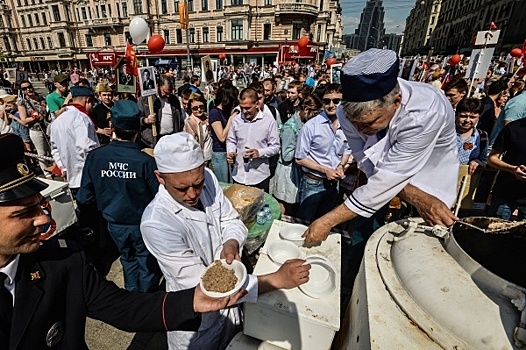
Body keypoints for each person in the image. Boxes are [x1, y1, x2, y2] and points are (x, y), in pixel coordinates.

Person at [0, 132, 246, 350]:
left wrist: (188, 302)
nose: (43, 220)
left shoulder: (63, 261)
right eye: (23, 214)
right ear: (162, 177)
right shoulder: (155, 220)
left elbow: (123, 307)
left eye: (40, 207)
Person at [303, 49, 459, 305]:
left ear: (396, 102)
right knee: (364, 234)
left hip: (429, 179)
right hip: (379, 178)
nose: (362, 130)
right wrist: (402, 191)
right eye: (357, 125)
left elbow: (391, 177)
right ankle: (351, 291)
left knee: (415, 254)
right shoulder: (346, 113)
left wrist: (328, 220)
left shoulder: (425, 112)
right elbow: (365, 160)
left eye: (370, 123)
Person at [140, 133, 310, 350]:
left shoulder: (209, 178)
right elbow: (203, 286)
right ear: (160, 178)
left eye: (198, 184)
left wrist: (230, 242)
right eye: (182, 188)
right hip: (196, 322)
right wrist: (275, 280)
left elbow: (230, 219)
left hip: (231, 306)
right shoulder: (157, 223)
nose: (193, 194)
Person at [77, 100, 162, 292]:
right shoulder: (146, 162)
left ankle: (132, 295)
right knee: (146, 262)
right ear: (138, 129)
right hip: (142, 224)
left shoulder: (96, 157)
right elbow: (160, 198)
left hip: (114, 224)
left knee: (127, 259)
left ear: (111, 126)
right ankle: (145, 299)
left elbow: (85, 197)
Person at [295, 83, 351, 222]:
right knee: (305, 223)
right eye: (327, 101)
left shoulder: (348, 126)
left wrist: (341, 166)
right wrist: (325, 170)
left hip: (333, 185)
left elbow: (347, 149)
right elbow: (300, 158)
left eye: (336, 101)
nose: (331, 105)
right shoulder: (311, 126)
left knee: (325, 223)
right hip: (313, 183)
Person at [274, 95, 322, 215]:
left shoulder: (304, 124)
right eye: (314, 113)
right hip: (288, 173)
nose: (315, 117)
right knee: (286, 206)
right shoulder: (290, 127)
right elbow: (286, 155)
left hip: (298, 171)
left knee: (294, 206)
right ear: (306, 109)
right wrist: (303, 146)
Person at [226, 88, 280, 192]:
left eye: (247, 108)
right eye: (242, 108)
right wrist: (231, 152)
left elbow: (276, 147)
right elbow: (231, 140)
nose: (244, 111)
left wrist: (259, 153)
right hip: (239, 175)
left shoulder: (269, 121)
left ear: (257, 104)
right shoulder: (236, 120)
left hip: (259, 176)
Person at [50, 86, 100, 191]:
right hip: (86, 177)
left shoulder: (57, 121)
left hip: (70, 177)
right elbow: (86, 146)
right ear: (88, 100)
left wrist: (62, 167)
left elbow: (54, 149)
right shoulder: (82, 118)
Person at [17, 80, 52, 178]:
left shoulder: (40, 98)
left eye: (29, 87)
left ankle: (56, 168)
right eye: (25, 88)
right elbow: (23, 120)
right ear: (22, 91)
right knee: (42, 153)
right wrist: (35, 117)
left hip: (47, 128)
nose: (28, 89)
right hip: (36, 130)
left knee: (52, 150)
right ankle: (47, 173)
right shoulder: (22, 102)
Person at [138, 77, 184, 148]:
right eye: (165, 92)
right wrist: (146, 120)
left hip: (171, 139)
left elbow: (179, 117)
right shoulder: (146, 99)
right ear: (158, 86)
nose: (168, 95)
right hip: (152, 141)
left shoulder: (174, 100)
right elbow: (137, 118)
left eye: (170, 92)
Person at [209, 83, 238, 182]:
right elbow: (221, 137)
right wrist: (230, 119)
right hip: (219, 153)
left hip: (229, 152)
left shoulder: (226, 112)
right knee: (224, 184)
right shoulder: (214, 113)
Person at [455, 98, 488, 174]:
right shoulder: (445, 132)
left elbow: (483, 160)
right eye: (463, 116)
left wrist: (477, 162)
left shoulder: (482, 137)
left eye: (472, 117)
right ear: (456, 115)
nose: (467, 120)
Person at [183, 93, 213, 166]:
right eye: (195, 108)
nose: (199, 110)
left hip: (212, 156)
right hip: (200, 159)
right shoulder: (190, 122)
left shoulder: (208, 117)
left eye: (201, 107)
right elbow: (191, 144)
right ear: (190, 108)